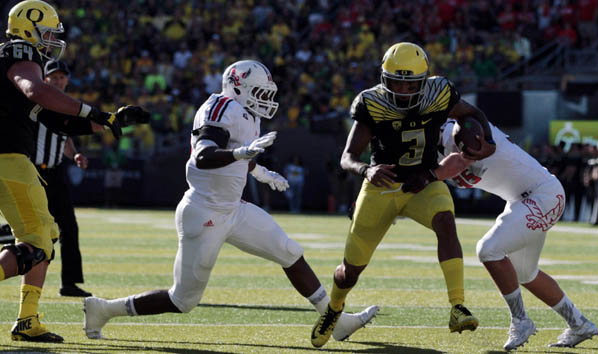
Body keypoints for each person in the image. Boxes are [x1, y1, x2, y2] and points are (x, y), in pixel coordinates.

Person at [83, 60, 379, 342]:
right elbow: (203, 156)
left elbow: (240, 156)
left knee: (289, 251)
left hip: (233, 209)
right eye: (260, 92)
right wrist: (241, 154)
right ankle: (104, 309)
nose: (265, 99)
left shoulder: (247, 113)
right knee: (183, 300)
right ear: (238, 86)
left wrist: (261, 172)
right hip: (204, 211)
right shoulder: (221, 107)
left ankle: (335, 321)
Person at [311, 42, 497, 348]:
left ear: (424, 81)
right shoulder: (371, 103)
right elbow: (348, 156)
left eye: (410, 83)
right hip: (381, 187)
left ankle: (457, 305)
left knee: (446, 222)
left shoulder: (440, 93)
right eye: (396, 81)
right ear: (384, 79)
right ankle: (334, 308)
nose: (402, 89)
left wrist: (485, 140)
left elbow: (471, 113)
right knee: (349, 272)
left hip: (423, 181)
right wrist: (366, 171)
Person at [0, 0, 148, 342]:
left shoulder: (14, 58)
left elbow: (54, 119)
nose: (51, 40)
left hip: (9, 157)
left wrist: (106, 120)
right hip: (8, 159)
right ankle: (26, 320)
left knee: (46, 236)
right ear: (28, 28)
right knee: (38, 242)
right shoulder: (19, 51)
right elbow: (35, 90)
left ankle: (27, 319)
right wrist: (92, 110)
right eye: (48, 33)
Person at [434, 119, 598, 350]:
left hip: (542, 195)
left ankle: (521, 321)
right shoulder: (433, 148)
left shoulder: (458, 131)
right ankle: (580, 324)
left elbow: (458, 161)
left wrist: (432, 173)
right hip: (522, 199)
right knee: (524, 272)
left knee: (488, 250)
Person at [39, 60, 94, 297]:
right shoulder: (35, 102)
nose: (58, 81)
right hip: (33, 172)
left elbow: (64, 138)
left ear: (67, 80)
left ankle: (69, 283)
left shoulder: (67, 106)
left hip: (56, 172)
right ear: (45, 79)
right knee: (33, 230)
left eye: (62, 77)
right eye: (54, 77)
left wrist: (75, 154)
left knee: (69, 228)